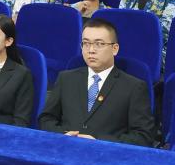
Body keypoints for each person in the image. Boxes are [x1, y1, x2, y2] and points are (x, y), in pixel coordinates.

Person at [38, 18, 157, 146]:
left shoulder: (134, 87)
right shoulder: (66, 78)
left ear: (115, 49)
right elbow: (46, 119)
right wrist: (63, 135)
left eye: (99, 44)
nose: (91, 50)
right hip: (64, 149)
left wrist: (99, 142)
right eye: (86, 43)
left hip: (106, 155)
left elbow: (143, 136)